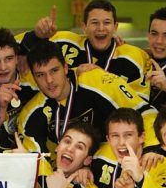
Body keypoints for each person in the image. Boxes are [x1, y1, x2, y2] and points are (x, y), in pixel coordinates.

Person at [18, 40, 155, 156]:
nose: (49, 80)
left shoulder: (97, 81)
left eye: (54, 71)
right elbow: (37, 162)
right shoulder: (31, 114)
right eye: (41, 75)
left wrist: (151, 149)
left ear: (66, 68)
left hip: (111, 164)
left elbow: (146, 112)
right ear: (34, 78)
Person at [22, 0, 151, 99]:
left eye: (107, 23)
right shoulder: (64, 44)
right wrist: (37, 36)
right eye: (94, 22)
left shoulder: (131, 58)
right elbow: (23, 53)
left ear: (115, 27)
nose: (101, 28)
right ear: (84, 27)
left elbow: (138, 101)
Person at [0, 28, 38, 150]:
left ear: (17, 58)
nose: (3, 67)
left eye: (8, 59)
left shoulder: (35, 82)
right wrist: (0, 107)